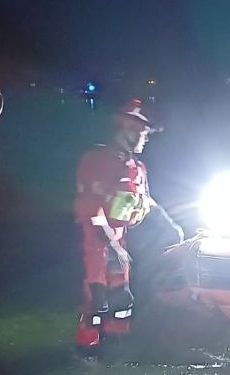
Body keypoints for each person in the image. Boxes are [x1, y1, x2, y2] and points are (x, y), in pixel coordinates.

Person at [74, 99, 182, 351]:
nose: (146, 139)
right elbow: (92, 212)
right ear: (129, 129)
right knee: (96, 303)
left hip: (119, 244)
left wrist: (169, 225)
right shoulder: (97, 160)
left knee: (121, 303)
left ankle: (114, 349)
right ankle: (86, 353)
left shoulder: (138, 168)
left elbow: (145, 201)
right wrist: (113, 249)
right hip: (95, 247)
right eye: (144, 133)